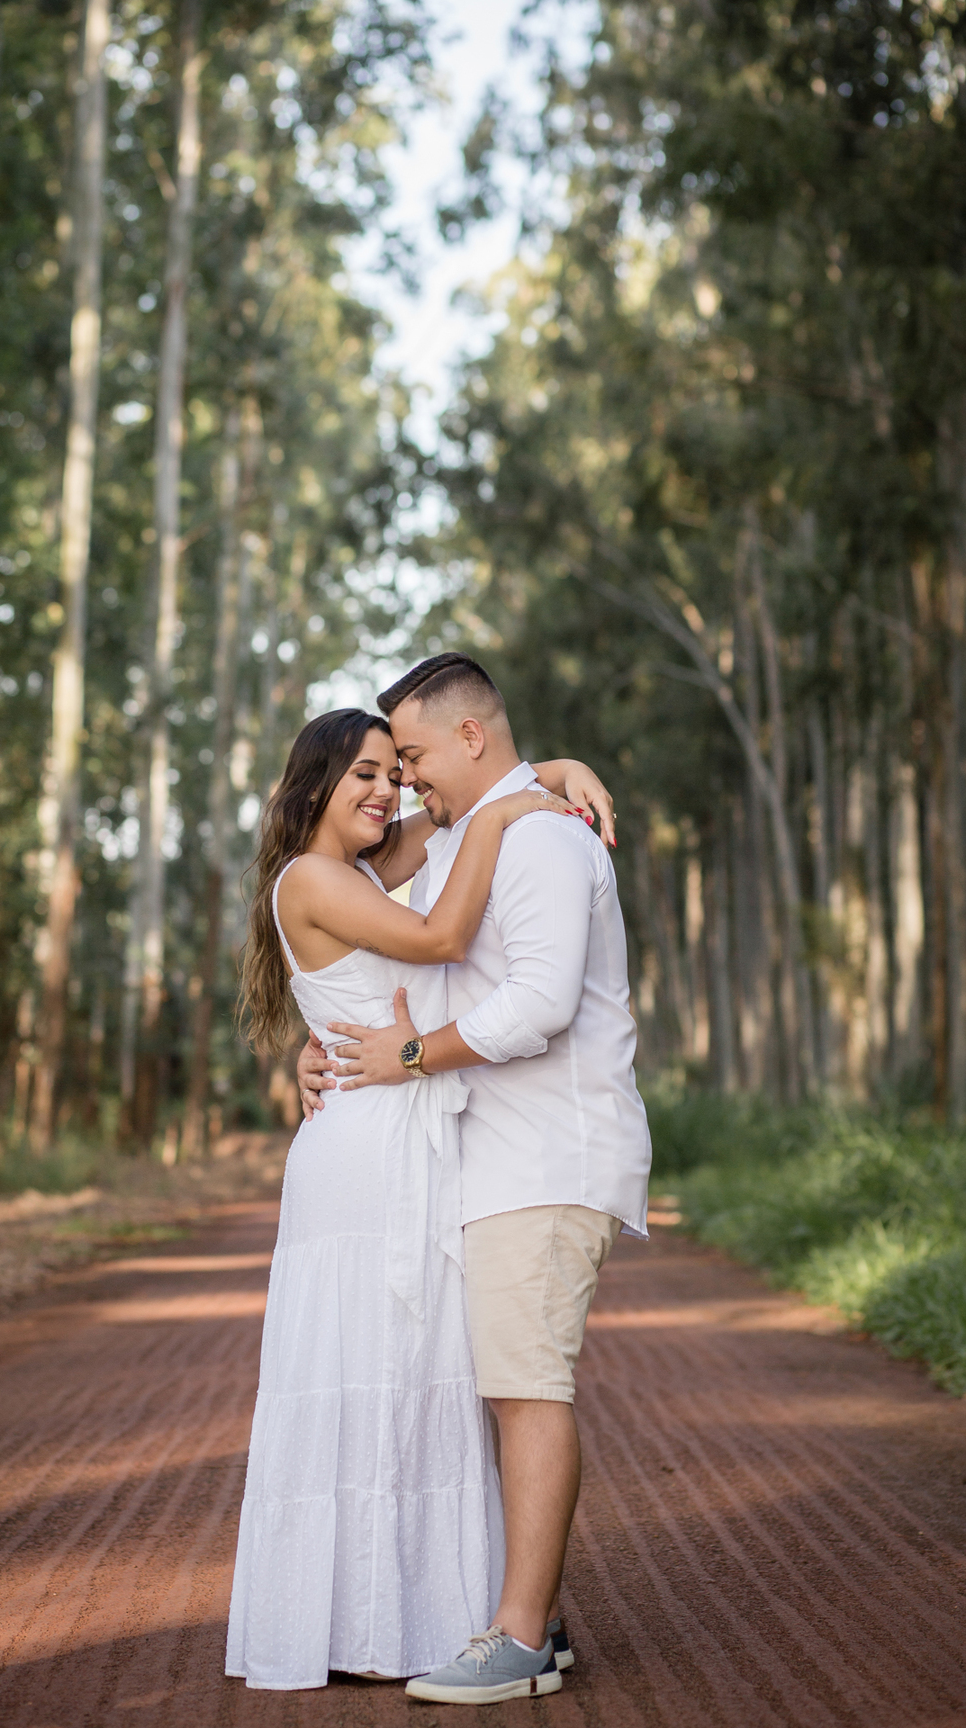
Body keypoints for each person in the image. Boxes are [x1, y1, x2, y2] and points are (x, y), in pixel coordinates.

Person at [224, 706, 612, 1692]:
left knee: (418, 1378)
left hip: (412, 1137)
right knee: (364, 1370)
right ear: (313, 782)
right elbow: (444, 937)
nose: (384, 790)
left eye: (392, 773)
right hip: (363, 1153)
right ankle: (350, 1621)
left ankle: (419, 1617)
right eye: (361, 773)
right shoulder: (311, 878)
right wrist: (496, 818)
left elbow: (459, 802)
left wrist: (547, 768)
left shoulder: (359, 868)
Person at [298, 654, 652, 1706]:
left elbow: (535, 1005)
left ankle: (519, 1640)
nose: (402, 781)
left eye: (408, 756)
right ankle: (527, 1614)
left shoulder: (539, 838)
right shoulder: (469, 832)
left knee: (525, 1390)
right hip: (487, 1162)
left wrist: (409, 1059)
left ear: (466, 738)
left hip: (544, 1157)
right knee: (502, 1388)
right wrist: (318, 1045)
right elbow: (398, 953)